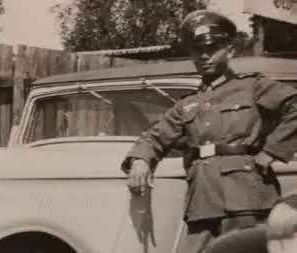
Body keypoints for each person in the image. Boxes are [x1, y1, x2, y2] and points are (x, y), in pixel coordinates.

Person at [121, 10, 297, 253]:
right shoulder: (187, 104)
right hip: (202, 201)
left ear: (230, 50)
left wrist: (272, 150)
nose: (204, 55)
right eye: (197, 50)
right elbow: (155, 136)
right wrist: (140, 159)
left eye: (212, 48)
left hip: (246, 196)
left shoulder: (252, 87)